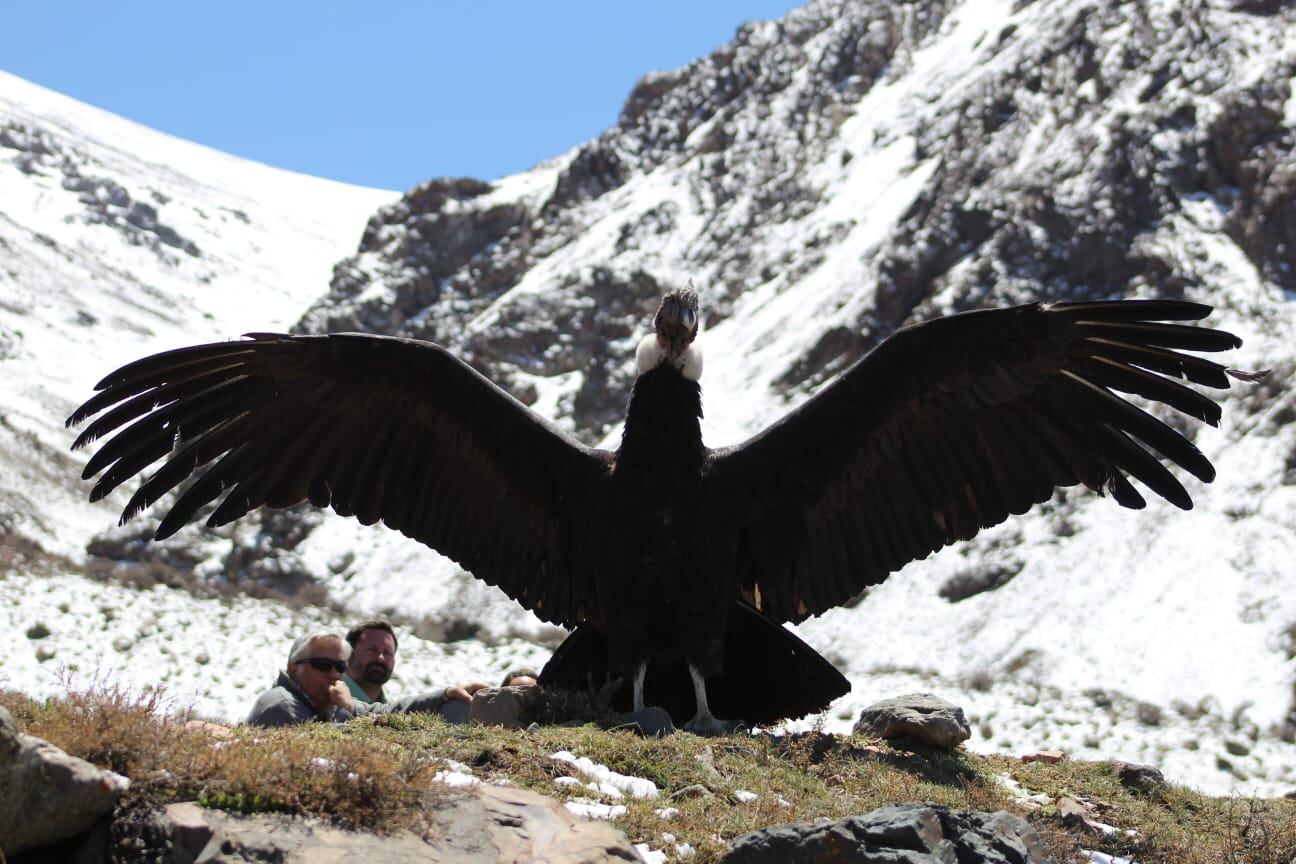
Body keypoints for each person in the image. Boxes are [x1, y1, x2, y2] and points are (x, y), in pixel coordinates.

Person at [245, 628, 484, 727]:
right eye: (322, 665)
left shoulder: (329, 705)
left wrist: (443, 695)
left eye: (339, 667)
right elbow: (329, 752)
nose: (332, 674)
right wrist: (348, 709)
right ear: (294, 667)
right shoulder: (281, 704)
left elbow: (386, 712)